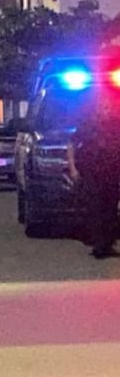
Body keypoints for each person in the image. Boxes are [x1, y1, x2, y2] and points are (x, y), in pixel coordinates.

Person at [67, 93, 120, 258]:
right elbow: (71, 145)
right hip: (92, 173)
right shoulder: (88, 125)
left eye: (109, 107)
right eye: (104, 106)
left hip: (112, 173)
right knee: (95, 209)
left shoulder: (116, 125)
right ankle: (99, 245)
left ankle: (108, 243)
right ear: (98, 109)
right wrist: (73, 168)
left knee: (110, 210)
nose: (107, 109)